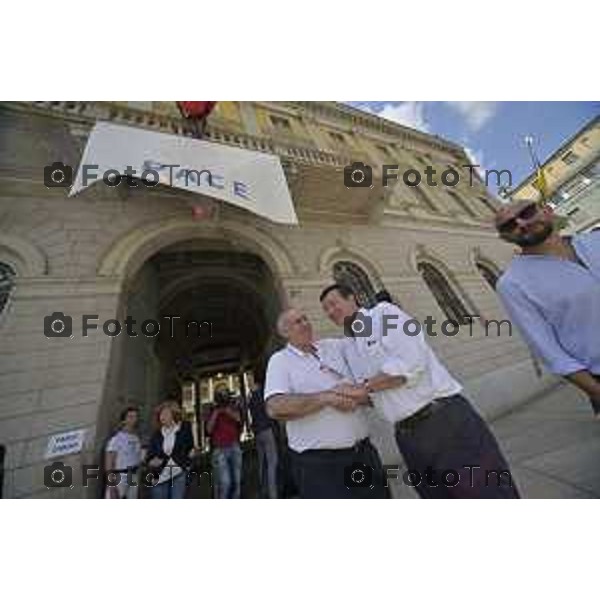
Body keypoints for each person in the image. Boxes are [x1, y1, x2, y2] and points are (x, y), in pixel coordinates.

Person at [320, 284, 520, 499]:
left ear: (352, 298)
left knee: (485, 494)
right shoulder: (350, 347)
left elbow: (409, 366)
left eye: (333, 304)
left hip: (444, 422)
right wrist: (343, 395)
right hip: (407, 437)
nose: (331, 312)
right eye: (326, 310)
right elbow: (374, 395)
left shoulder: (384, 315)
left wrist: (363, 387)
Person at [264, 308, 387, 499]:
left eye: (305, 318)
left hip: (364, 454)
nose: (305, 323)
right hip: (321, 467)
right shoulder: (280, 361)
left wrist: (358, 396)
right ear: (285, 332)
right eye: (297, 322)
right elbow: (275, 406)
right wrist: (326, 398)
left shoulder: (333, 347)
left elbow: (362, 351)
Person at [494, 199, 600, 416]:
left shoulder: (595, 241)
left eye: (527, 212)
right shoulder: (513, 284)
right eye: (509, 225)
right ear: (505, 237)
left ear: (548, 210)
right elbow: (551, 353)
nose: (521, 223)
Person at [145, 401, 194, 499]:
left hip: (178, 472)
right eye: (161, 414)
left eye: (166, 414)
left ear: (173, 415)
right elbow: (150, 454)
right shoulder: (156, 434)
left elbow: (188, 449)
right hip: (159, 473)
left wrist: (187, 464)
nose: (162, 417)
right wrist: (151, 461)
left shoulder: (183, 430)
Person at [207, 388, 243, 499]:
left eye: (225, 395)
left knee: (237, 481)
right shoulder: (212, 410)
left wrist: (228, 411)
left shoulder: (233, 407)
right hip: (220, 449)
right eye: (221, 395)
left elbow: (239, 420)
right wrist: (216, 413)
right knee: (225, 482)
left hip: (234, 446)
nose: (224, 398)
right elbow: (208, 430)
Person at [247, 374, 279, 498]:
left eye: (249, 382)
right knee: (272, 463)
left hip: (258, 432)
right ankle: (273, 495)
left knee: (262, 463)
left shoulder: (251, 398)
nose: (249, 385)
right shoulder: (263, 393)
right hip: (267, 430)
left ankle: (263, 491)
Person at [104, 406, 142, 499]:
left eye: (135, 416)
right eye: (130, 416)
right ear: (124, 420)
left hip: (133, 476)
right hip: (120, 476)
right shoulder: (116, 439)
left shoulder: (136, 438)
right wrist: (112, 485)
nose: (133, 419)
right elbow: (109, 463)